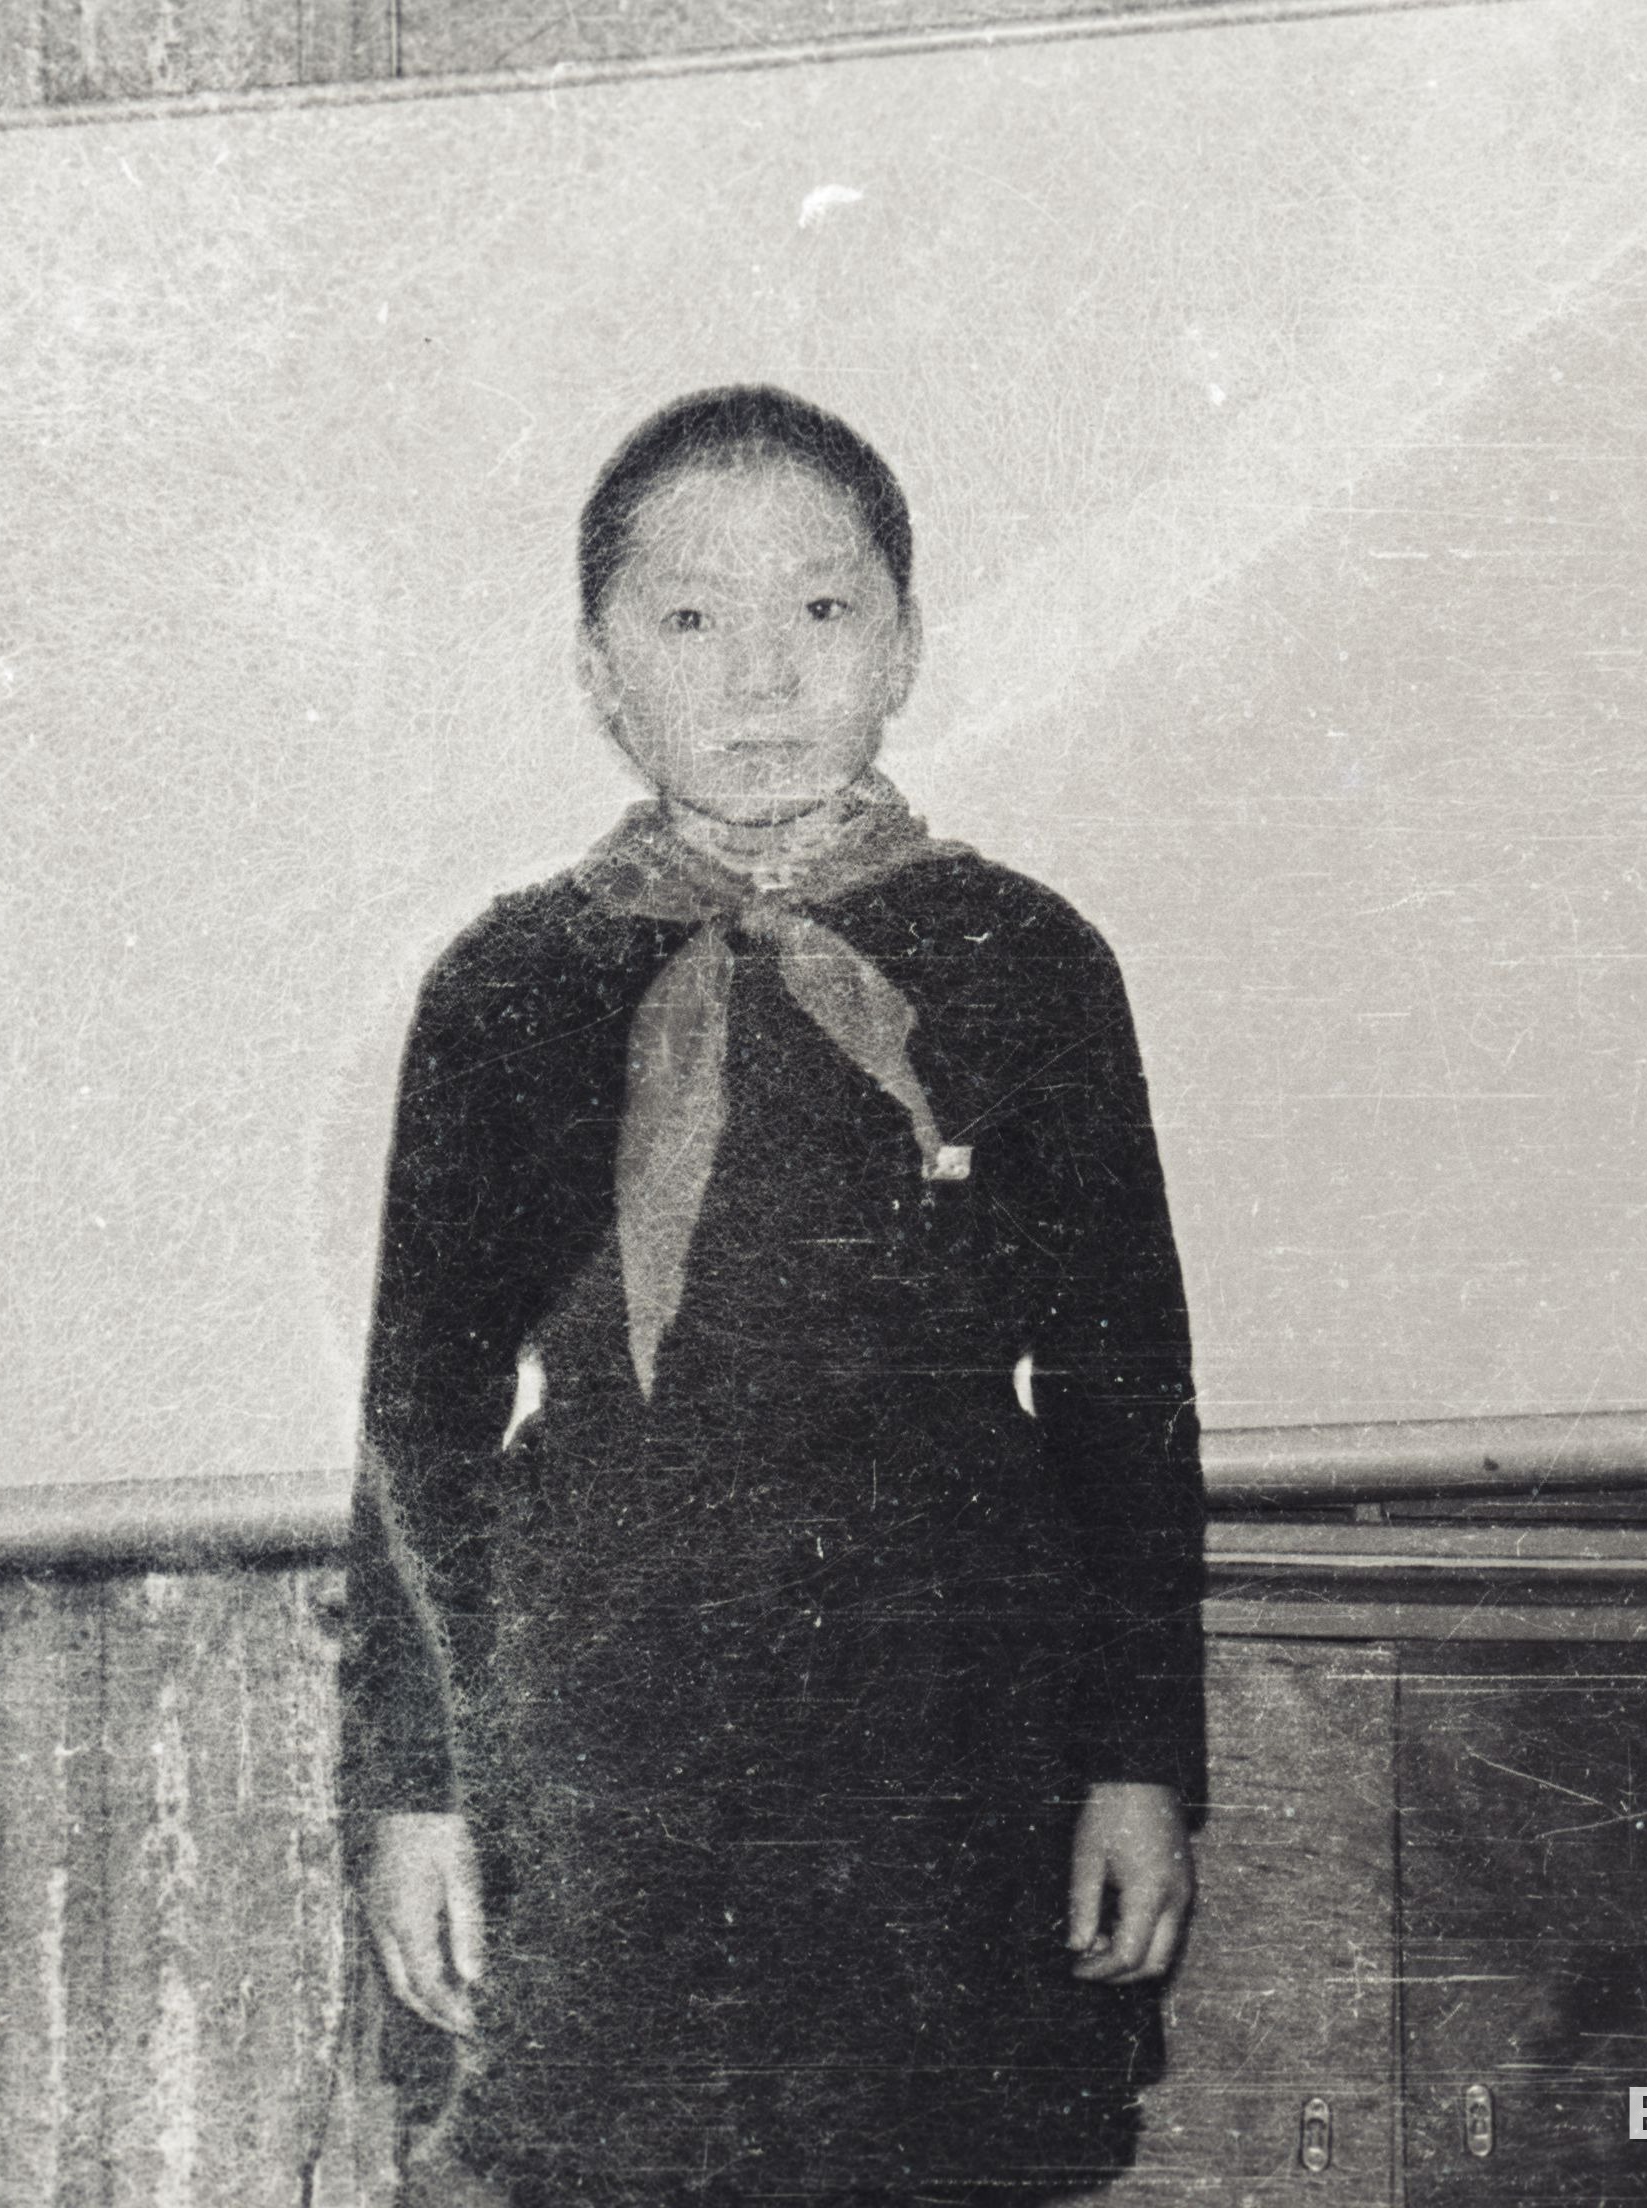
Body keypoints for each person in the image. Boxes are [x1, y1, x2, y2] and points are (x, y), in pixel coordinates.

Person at [341, 386, 1208, 2208]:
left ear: (904, 645)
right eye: (688, 619)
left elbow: (1126, 1398)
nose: (759, 674)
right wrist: (417, 1792)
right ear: (599, 672)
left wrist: (1140, 1765)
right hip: (612, 1723)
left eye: (820, 608)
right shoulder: (509, 985)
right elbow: (420, 1426)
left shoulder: (1027, 958)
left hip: (952, 1710)